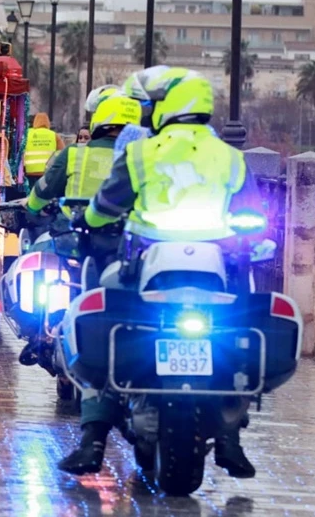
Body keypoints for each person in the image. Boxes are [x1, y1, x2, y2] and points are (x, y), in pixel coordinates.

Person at [63, 66, 262, 479]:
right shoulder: (231, 157)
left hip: (145, 268)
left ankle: (93, 440)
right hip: (215, 272)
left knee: (100, 314)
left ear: (167, 106)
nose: (147, 112)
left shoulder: (143, 152)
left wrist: (90, 220)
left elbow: (104, 207)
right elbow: (252, 216)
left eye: (151, 105)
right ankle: (230, 438)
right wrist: (250, 237)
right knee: (236, 329)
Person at [23, 112, 65, 188]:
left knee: (31, 193)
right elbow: (62, 154)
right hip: (48, 173)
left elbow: (21, 151)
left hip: (30, 172)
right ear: (48, 123)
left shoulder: (27, 133)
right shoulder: (54, 135)